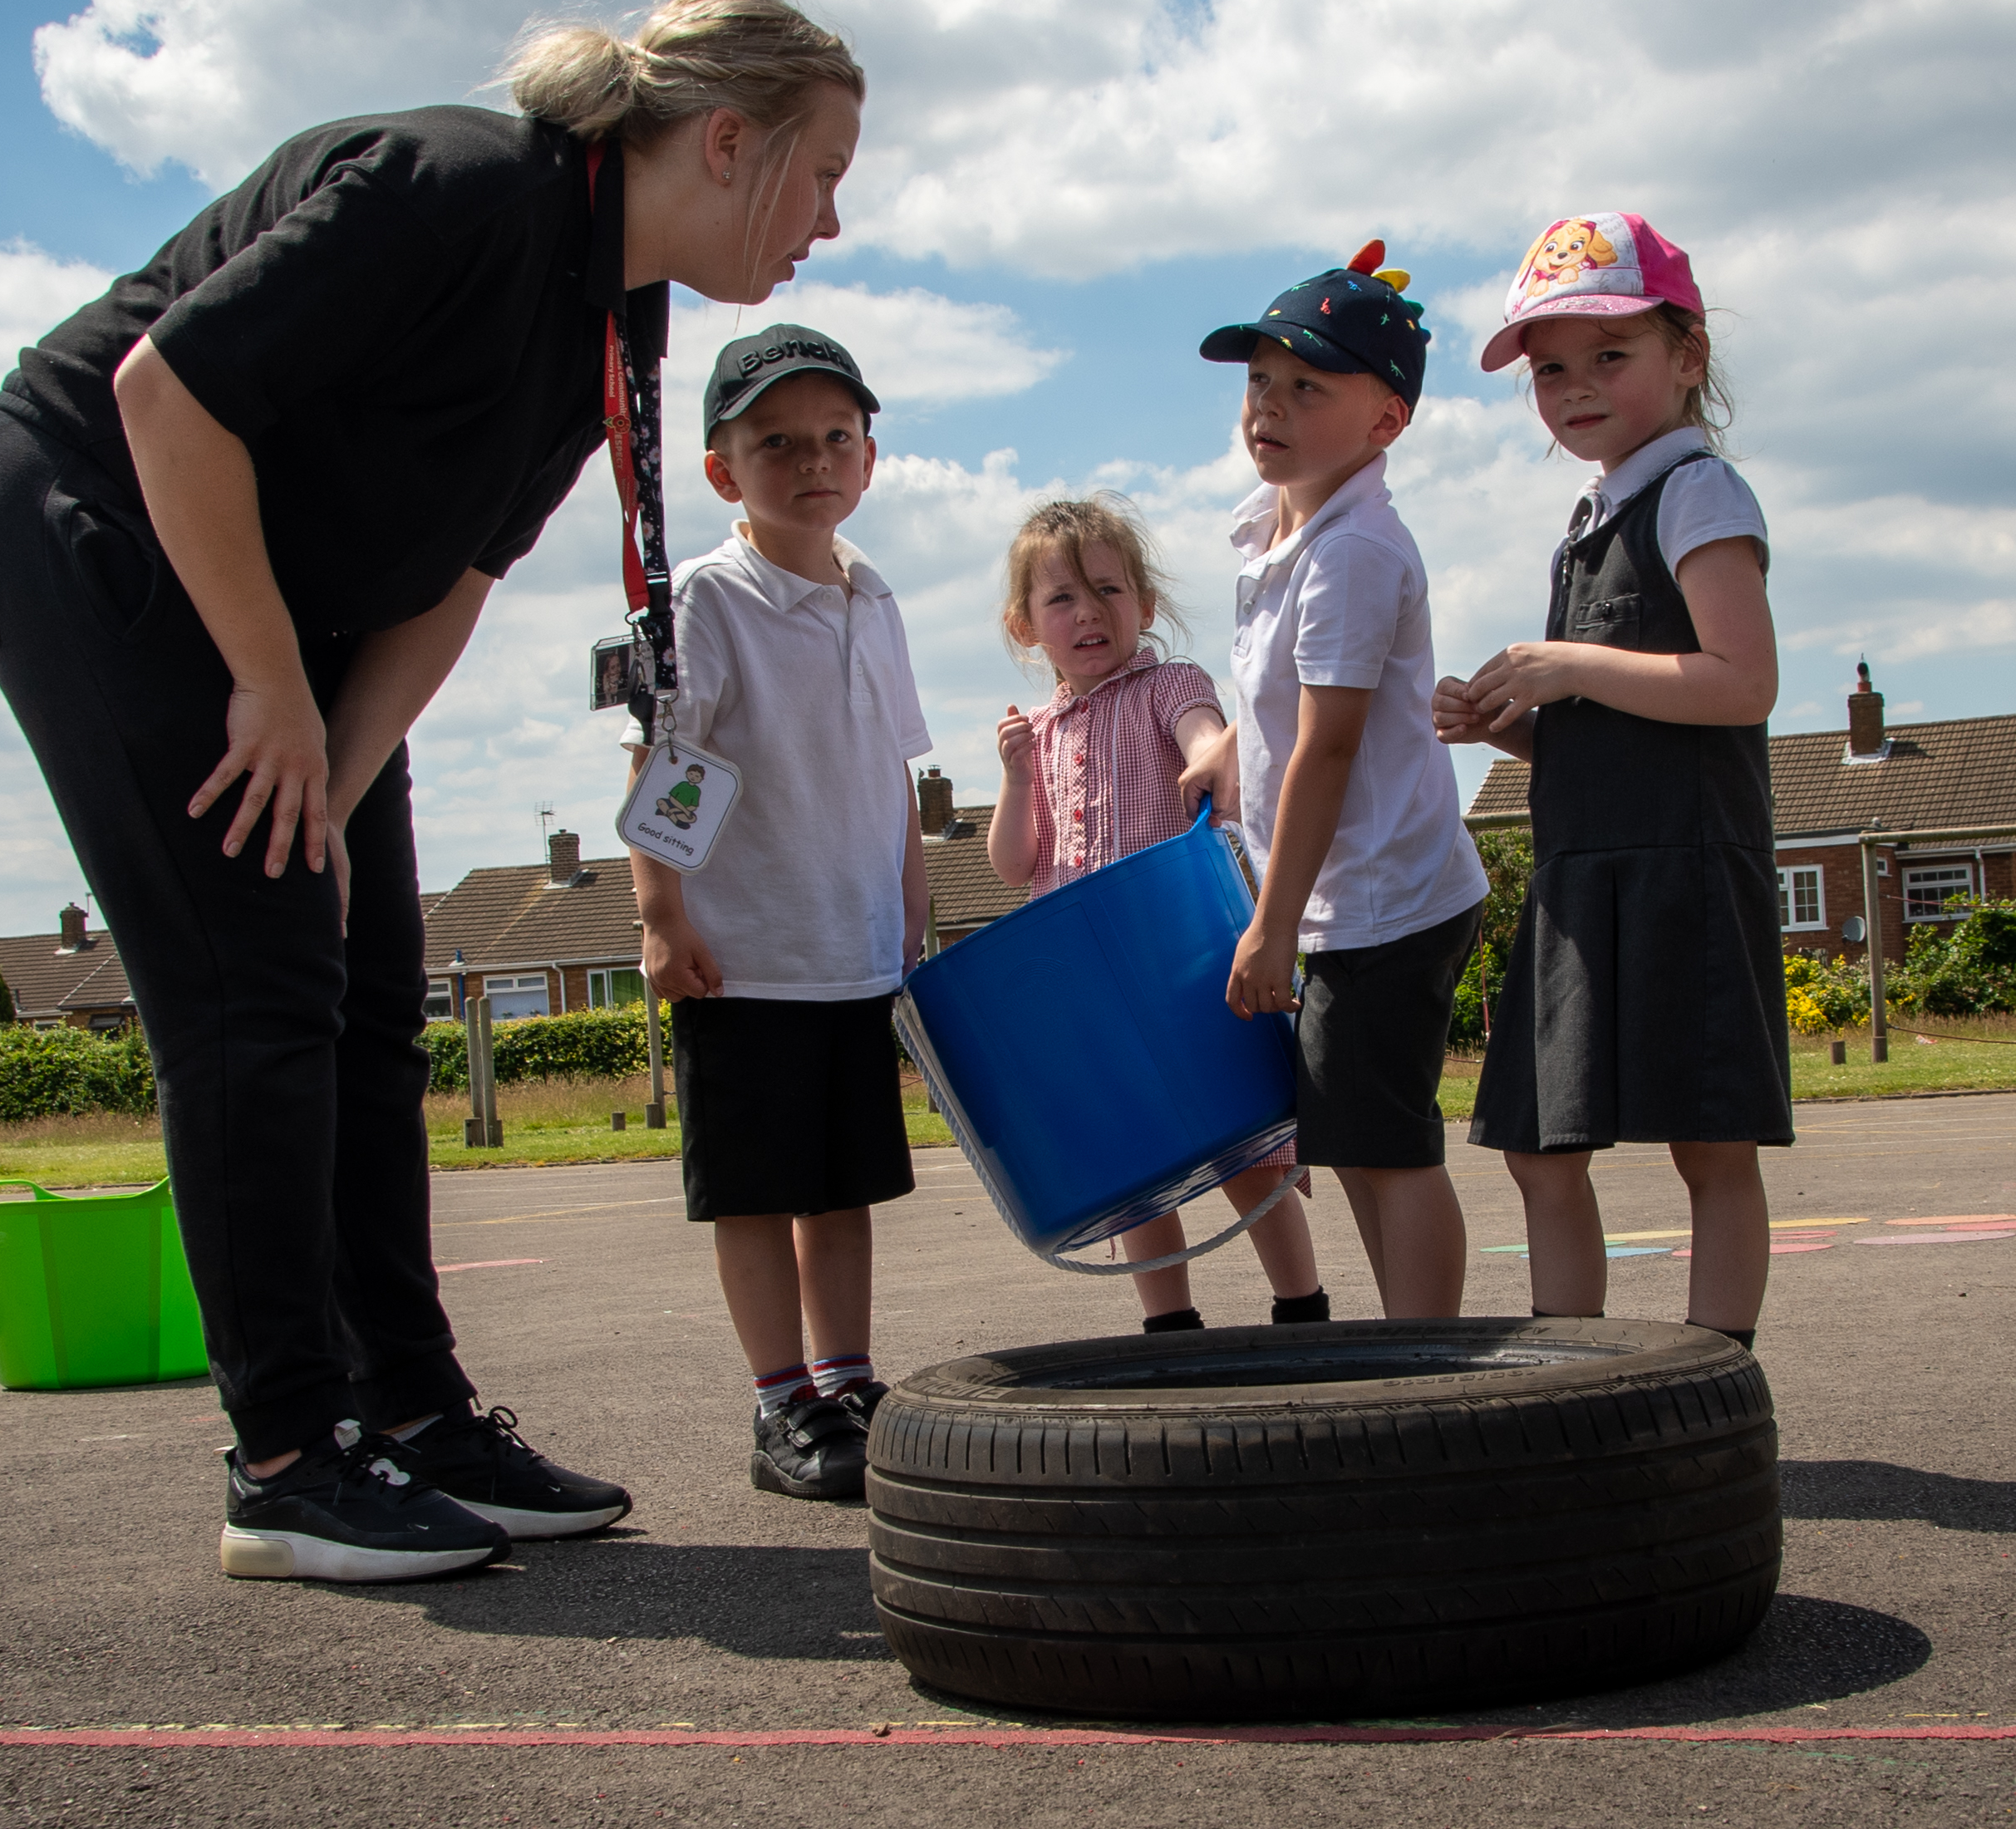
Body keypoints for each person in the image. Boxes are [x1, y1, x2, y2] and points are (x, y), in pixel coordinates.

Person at [0, 0, 864, 1582]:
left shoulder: (614, 305)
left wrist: (339, 761)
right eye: (825, 175)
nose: (831, 224)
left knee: (366, 982)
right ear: (729, 142)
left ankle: (416, 1417)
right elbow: (164, 395)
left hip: (300, 612)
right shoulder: (455, 188)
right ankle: (290, 1457)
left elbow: (461, 571)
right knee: (258, 993)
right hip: (95, 521)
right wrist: (267, 685)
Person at [1433, 212, 1788, 1350]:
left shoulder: (1697, 492)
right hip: (1585, 875)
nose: (1575, 388)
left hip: (1684, 864)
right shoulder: (1591, 518)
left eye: (1610, 355)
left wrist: (1563, 663)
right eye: (1550, 370)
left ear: (1687, 356)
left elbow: (1742, 683)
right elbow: (1618, 729)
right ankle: (1571, 1368)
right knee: (1541, 1144)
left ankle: (1716, 1372)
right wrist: (1511, 727)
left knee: (1710, 1144)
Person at [627, 322, 928, 1503]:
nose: (813, 461)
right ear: (722, 470)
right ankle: (779, 1401)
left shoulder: (877, 596)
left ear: (867, 455)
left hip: (850, 947)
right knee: (755, 1188)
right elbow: (673, 764)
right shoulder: (712, 598)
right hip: (743, 954)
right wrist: (661, 913)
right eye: (777, 443)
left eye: (835, 438)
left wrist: (910, 910)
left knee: (840, 1182)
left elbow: (895, 769)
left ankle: (846, 1377)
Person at [1178, 244, 1490, 1320]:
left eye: (1309, 386)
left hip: (1383, 901)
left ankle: (1432, 1367)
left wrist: (1268, 925)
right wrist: (1227, 747)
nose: (1270, 405)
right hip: (1339, 899)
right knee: (1357, 1140)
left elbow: (1330, 745)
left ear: (1385, 421)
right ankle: (1415, 1351)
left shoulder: (1354, 550)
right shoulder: (1275, 530)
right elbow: (1278, 710)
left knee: (1389, 1149)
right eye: (1261, 381)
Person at [986, 495, 1328, 1335]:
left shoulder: (1167, 685)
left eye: (1108, 589)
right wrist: (1017, 777)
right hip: (1083, 977)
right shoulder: (1035, 729)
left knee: (1245, 1144)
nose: (1088, 612)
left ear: (1144, 604)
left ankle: (1301, 1306)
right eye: (1060, 597)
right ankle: (1168, 1324)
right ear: (1025, 624)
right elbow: (1013, 865)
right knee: (1129, 1159)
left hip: (1179, 955)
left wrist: (1215, 748)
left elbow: (1203, 739)